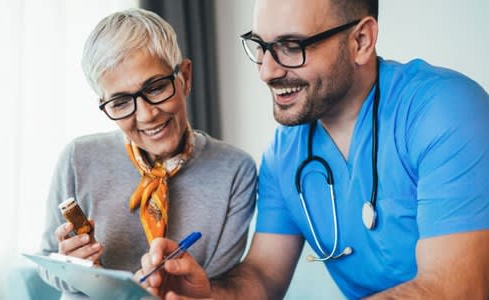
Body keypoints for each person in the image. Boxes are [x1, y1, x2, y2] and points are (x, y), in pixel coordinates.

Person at [138, 0, 489, 299]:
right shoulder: (285, 152)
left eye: (292, 46)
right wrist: (208, 294)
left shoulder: (444, 109)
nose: (266, 71)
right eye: (261, 45)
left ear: (361, 41)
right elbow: (262, 276)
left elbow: (458, 288)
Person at [37, 8, 257, 299]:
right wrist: (72, 268)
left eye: (155, 88)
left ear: (185, 78)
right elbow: (48, 263)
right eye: (120, 102)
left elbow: (216, 287)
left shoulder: (235, 171)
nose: (146, 114)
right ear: (106, 106)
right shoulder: (77, 159)